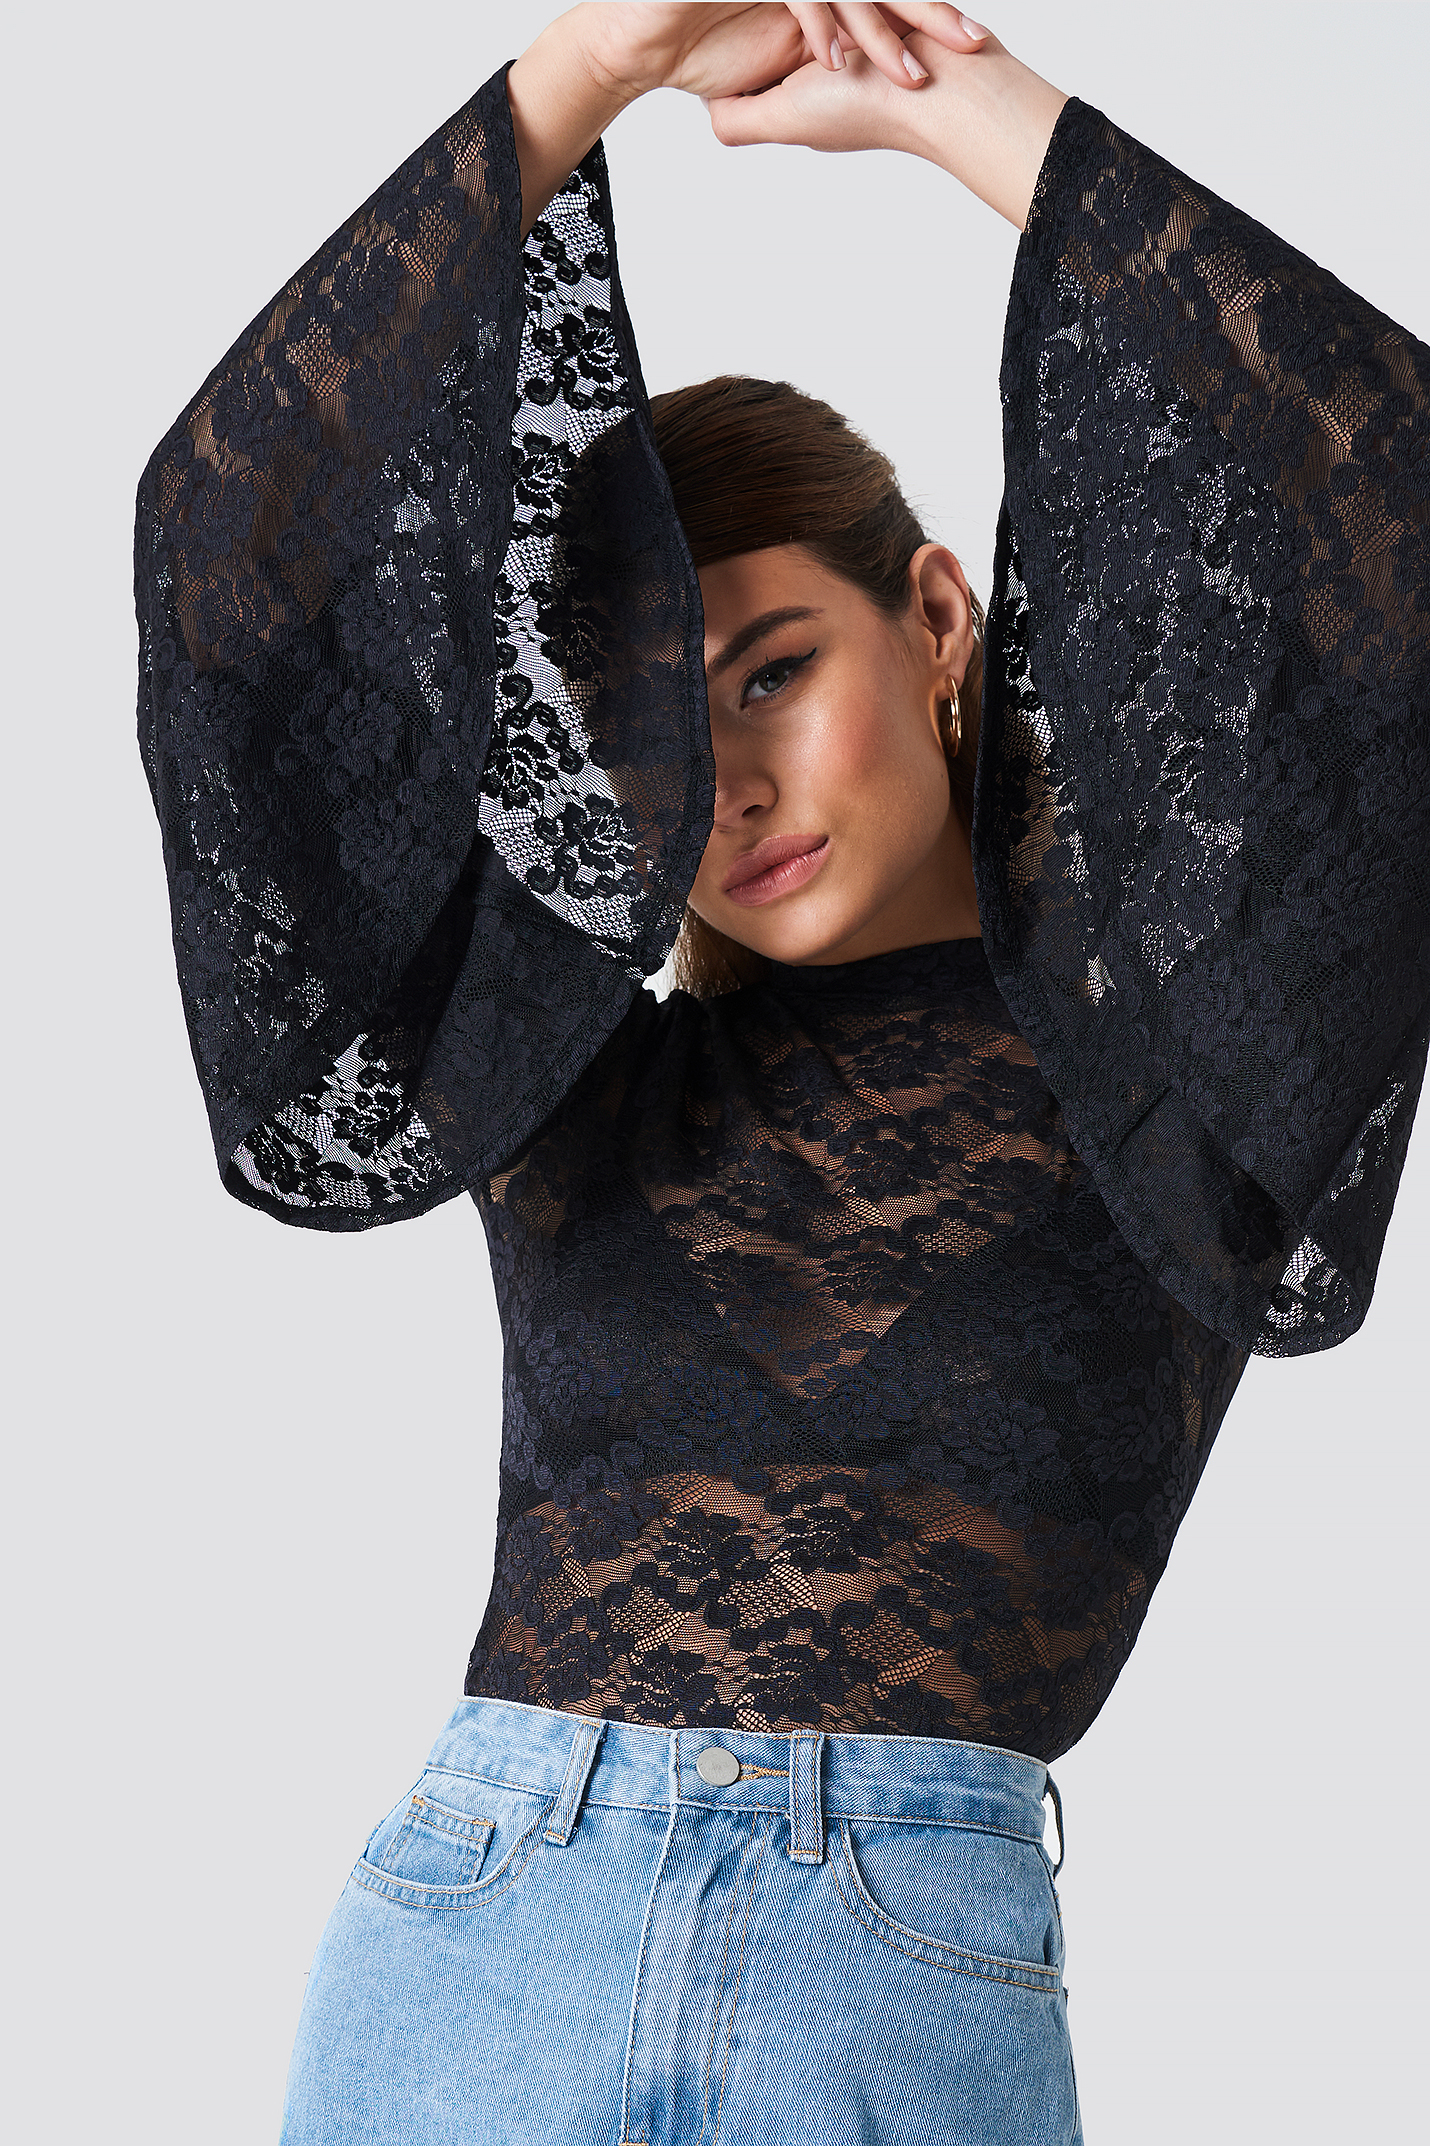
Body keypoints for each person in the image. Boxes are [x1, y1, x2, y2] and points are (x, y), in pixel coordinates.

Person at [133, 4, 1429, 2140]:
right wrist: (586, 69)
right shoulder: (562, 1063)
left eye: (771, 672)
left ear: (934, 615)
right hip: (475, 1935)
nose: (727, 780)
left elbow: (1383, 515)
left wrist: (959, 106)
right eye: (662, 717)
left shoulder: (1174, 1047)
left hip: (892, 1980)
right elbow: (231, 558)